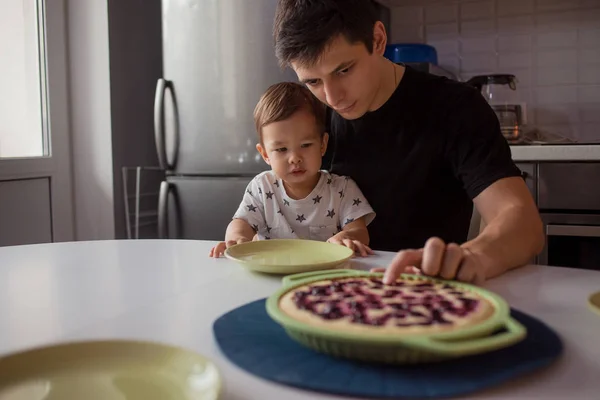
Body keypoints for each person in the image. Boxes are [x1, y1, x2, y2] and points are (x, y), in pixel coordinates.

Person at [272, 0, 544, 285]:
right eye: (313, 82)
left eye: (344, 70)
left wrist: (474, 256)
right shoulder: (310, 120)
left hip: (422, 295)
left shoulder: (454, 107)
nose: (332, 97)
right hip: (323, 292)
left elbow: (523, 224)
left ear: (377, 40)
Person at [209, 82, 376, 258]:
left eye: (305, 145)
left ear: (322, 145)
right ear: (265, 154)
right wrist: (237, 238)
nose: (295, 158)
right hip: (271, 273)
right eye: (281, 149)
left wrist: (346, 237)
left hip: (324, 274)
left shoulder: (342, 189)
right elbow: (242, 222)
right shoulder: (261, 187)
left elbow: (360, 231)